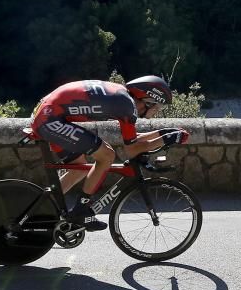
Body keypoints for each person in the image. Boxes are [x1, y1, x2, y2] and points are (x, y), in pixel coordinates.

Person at [29, 75, 189, 231]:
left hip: (47, 116)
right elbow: (132, 149)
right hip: (50, 120)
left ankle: (40, 209)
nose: (156, 111)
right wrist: (168, 138)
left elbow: (132, 139)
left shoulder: (123, 98)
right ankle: (81, 210)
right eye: (157, 106)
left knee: (78, 168)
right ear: (147, 100)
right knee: (106, 156)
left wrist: (164, 133)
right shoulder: (126, 105)